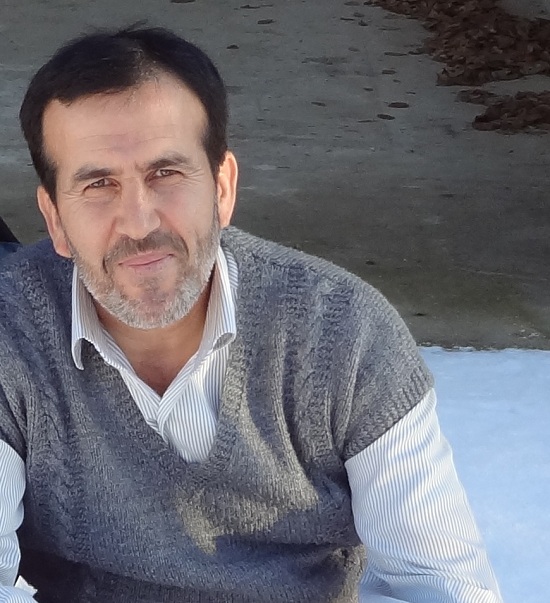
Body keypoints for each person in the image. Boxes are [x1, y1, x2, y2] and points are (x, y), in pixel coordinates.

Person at [0, 25, 502, 603]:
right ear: (55, 218)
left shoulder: (345, 336)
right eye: (98, 184)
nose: (139, 222)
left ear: (223, 187)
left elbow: (444, 585)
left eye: (166, 173)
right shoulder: (11, 333)